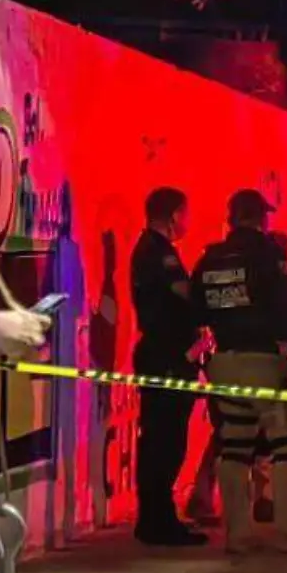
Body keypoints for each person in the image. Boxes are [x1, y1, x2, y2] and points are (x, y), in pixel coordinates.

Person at [191, 190, 287, 554]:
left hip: (224, 364)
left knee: (234, 446)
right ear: (260, 218)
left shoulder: (210, 259)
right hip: (266, 362)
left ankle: (237, 535)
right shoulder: (269, 256)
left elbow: (195, 310)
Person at [129, 187, 208, 547]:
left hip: (161, 356)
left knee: (159, 440)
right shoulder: (160, 255)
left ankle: (155, 518)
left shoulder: (146, 250)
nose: (188, 221)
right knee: (166, 441)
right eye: (186, 212)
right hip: (168, 359)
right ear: (174, 214)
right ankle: (158, 521)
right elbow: (185, 301)